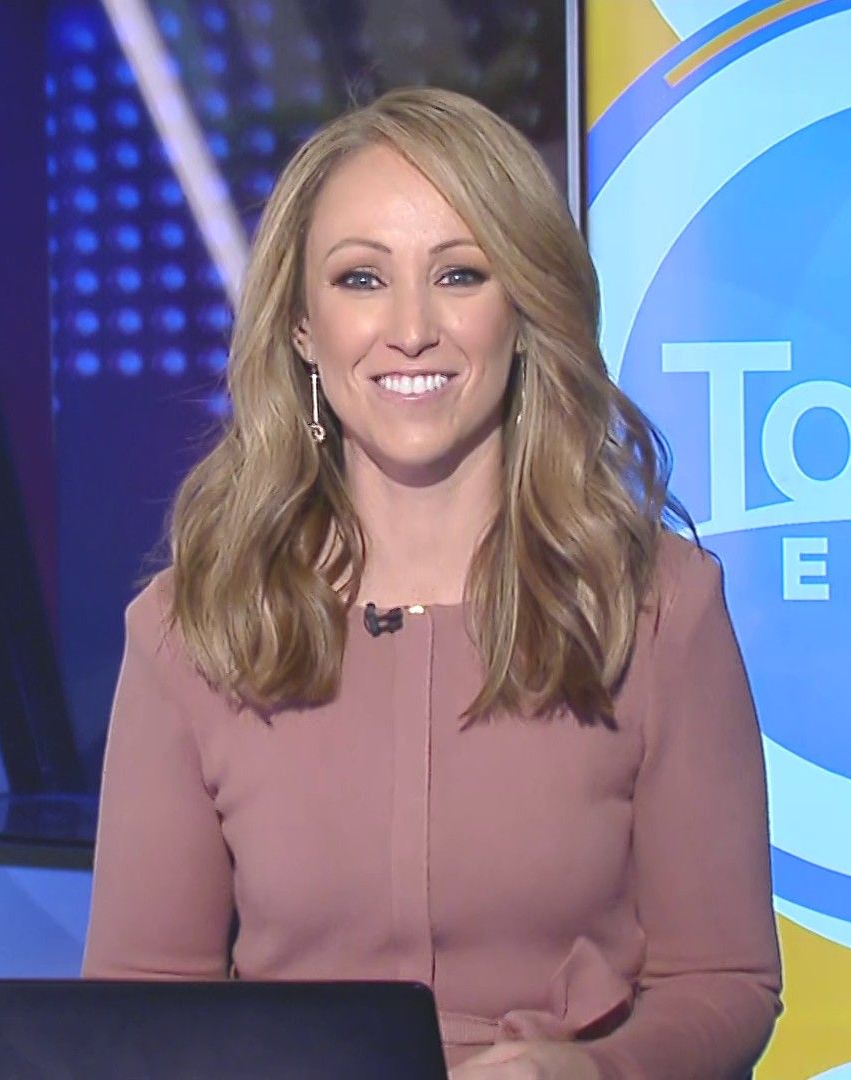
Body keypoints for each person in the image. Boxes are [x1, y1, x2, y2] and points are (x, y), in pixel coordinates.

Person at [81, 86, 782, 1079]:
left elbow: (723, 981)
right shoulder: (192, 629)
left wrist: (589, 1073)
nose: (410, 329)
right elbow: (139, 1009)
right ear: (302, 328)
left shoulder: (657, 605)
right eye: (361, 279)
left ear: (524, 311)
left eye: (459, 273)